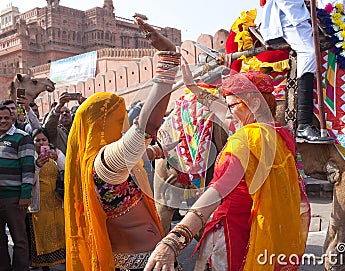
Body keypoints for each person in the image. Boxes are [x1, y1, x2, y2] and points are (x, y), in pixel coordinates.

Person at [144, 66, 310, 271]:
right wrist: (193, 88)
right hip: (265, 237)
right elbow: (221, 110)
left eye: (232, 106)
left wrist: (174, 240)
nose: (228, 115)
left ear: (255, 103)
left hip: (233, 238)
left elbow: (216, 192)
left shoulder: (244, 140)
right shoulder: (281, 136)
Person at [64, 17, 182, 271]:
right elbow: (145, 129)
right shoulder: (104, 164)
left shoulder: (104, 163)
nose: (124, 127)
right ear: (103, 123)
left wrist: (158, 151)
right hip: (139, 265)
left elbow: (136, 159)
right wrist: (169, 59)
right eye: (119, 119)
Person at [259, 0, 334, 144]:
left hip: (301, 13)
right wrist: (302, 19)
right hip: (289, 18)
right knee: (309, 52)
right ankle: (303, 125)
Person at [0, 105, 35, 271]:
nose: (3, 121)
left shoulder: (22, 137)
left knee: (19, 239)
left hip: (14, 198)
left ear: (12, 118)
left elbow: (28, 168)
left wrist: (25, 195)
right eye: (0, 118)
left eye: (6, 118)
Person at [27, 128, 66, 270]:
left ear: (48, 142)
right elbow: (29, 180)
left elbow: (68, 171)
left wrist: (58, 159)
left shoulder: (56, 155)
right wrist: (37, 165)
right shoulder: (29, 158)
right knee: (42, 235)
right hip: (39, 205)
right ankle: (45, 267)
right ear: (33, 142)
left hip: (56, 202)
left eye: (44, 140)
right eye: (37, 140)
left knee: (59, 233)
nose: (41, 143)